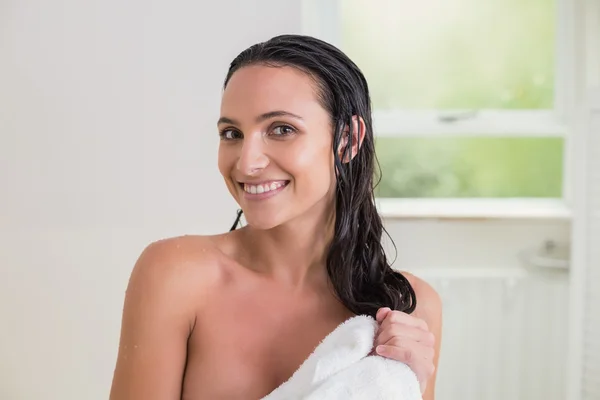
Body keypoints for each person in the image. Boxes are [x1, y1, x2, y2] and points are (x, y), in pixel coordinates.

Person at [109, 34, 442, 400]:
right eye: (232, 133)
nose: (247, 163)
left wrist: (410, 383)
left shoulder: (407, 307)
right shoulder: (175, 276)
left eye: (281, 129)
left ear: (348, 139)